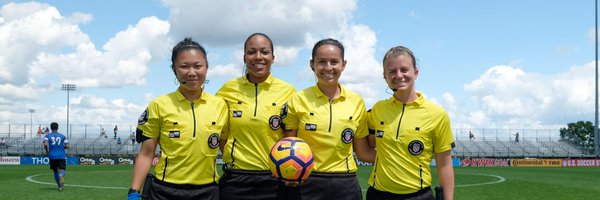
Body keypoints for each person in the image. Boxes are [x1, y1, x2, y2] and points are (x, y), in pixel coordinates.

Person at [128, 38, 228, 200]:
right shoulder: (159, 105)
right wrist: (133, 191)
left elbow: (226, 148)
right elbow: (146, 154)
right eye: (184, 66)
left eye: (197, 66)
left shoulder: (220, 105)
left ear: (207, 68)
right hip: (165, 191)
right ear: (174, 69)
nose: (191, 72)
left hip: (208, 191)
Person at [282, 38, 368, 200]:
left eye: (334, 62)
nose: (328, 68)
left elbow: (362, 151)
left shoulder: (356, 102)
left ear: (344, 64)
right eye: (322, 62)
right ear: (312, 64)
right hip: (306, 182)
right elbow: (289, 144)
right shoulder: (298, 99)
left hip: (345, 183)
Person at [365, 46, 455, 200]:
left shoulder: (437, 115)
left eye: (404, 70)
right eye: (392, 71)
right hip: (377, 195)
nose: (399, 75)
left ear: (416, 72)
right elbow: (370, 148)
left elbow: (444, 165)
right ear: (385, 76)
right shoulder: (377, 110)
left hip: (418, 196)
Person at [217, 33, 296, 200]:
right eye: (252, 52)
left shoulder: (288, 91)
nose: (258, 57)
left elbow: (291, 135)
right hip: (236, 179)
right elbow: (222, 134)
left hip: (275, 179)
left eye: (264, 52)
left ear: (273, 57)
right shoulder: (227, 90)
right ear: (244, 57)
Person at [43, 122, 70, 191]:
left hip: (52, 156)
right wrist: (61, 147)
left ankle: (59, 186)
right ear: (58, 128)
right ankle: (61, 175)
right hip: (61, 156)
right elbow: (67, 146)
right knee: (62, 170)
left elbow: (45, 144)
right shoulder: (62, 136)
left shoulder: (47, 136)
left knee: (55, 171)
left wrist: (47, 151)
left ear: (51, 128)